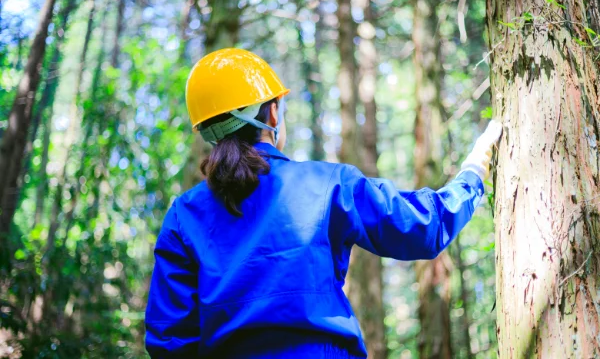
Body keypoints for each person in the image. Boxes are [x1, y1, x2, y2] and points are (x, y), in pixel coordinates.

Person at [144, 48, 502, 358]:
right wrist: (472, 173)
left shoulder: (183, 214)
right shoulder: (327, 183)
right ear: (271, 114)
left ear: (207, 130)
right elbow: (423, 227)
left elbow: (168, 338)